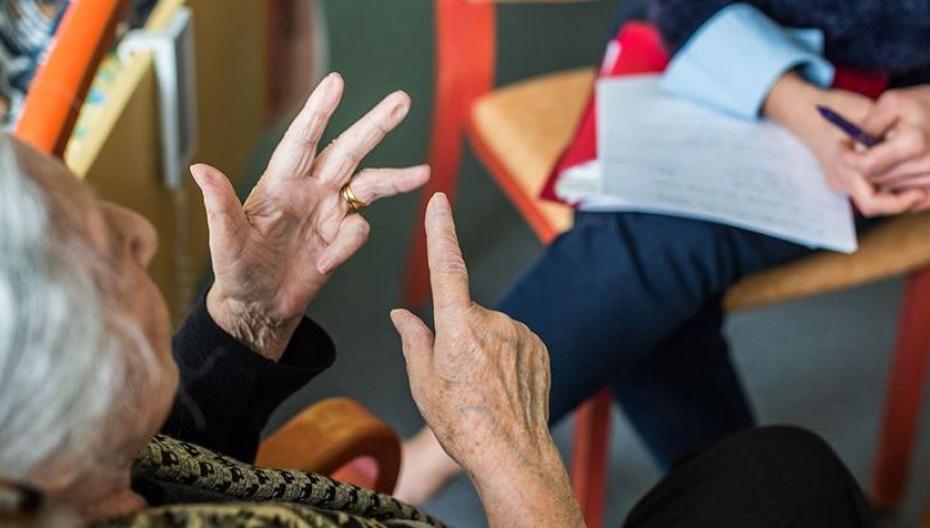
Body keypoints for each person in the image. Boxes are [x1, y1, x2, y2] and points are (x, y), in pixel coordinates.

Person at [0, 73, 876, 527]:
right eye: (103, 249)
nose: (140, 232)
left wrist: (246, 322)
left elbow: (153, 474)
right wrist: (517, 466)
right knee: (785, 479)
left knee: (776, 469)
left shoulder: (65, 480)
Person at [395, 0, 930, 505]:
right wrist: (789, 99)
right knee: (648, 263)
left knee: (644, 256)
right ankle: (748, 502)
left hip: (881, 123)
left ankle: (438, 449)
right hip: (700, 43)